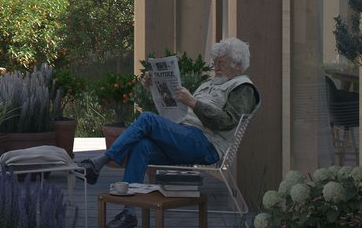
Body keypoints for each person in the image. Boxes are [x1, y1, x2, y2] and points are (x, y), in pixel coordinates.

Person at [79, 36, 261, 196]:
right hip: (185, 137)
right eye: (215, 61)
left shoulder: (243, 88)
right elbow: (177, 112)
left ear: (237, 64)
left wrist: (193, 102)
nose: (216, 66)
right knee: (141, 146)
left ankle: (100, 162)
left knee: (147, 118)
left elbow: (227, 121)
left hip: (207, 144)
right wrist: (155, 87)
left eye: (221, 62)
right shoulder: (209, 84)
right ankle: (129, 213)